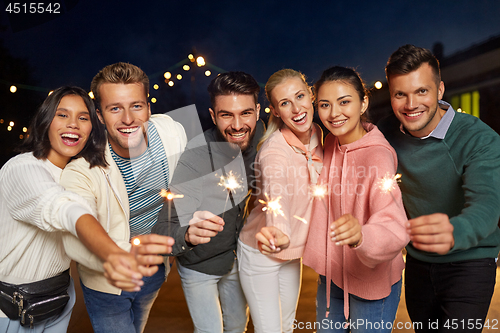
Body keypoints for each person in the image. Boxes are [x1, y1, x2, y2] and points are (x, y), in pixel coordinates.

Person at [0, 86, 168, 333]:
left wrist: (126, 253)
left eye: (83, 118)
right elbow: (63, 208)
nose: (73, 125)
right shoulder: (23, 168)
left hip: (57, 300)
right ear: (45, 120)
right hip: (10, 307)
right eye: (62, 115)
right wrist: (113, 254)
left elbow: (88, 222)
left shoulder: (82, 172)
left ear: (92, 128)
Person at [378, 44, 500, 332]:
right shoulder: (385, 134)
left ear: (440, 90)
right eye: (400, 94)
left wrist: (456, 231)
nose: (411, 104)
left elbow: (488, 204)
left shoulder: (479, 139)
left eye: (422, 91)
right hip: (419, 263)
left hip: (471, 261)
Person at [60, 63, 187, 333]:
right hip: (105, 284)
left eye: (137, 106)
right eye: (115, 108)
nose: (128, 118)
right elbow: (74, 238)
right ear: (100, 115)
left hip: (155, 270)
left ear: (149, 108)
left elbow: (189, 186)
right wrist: (123, 257)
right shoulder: (82, 169)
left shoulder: (172, 132)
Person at [152, 71, 264, 333]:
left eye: (245, 113)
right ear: (213, 116)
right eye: (226, 115)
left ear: (258, 111)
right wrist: (189, 234)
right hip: (199, 265)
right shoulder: (196, 156)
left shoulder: (267, 140)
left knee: (237, 326)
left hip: (238, 258)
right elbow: (163, 227)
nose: (237, 125)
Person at [301, 66, 409, 333]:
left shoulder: (378, 157)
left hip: (372, 282)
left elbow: (394, 225)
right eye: (325, 104)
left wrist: (362, 235)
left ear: (364, 103)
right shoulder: (330, 144)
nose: (334, 113)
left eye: (344, 102)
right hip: (333, 274)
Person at [238, 68, 323, 333]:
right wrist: (279, 230)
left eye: (300, 96)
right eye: (285, 103)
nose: (296, 108)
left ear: (311, 96)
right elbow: (277, 196)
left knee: (286, 327)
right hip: (262, 250)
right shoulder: (274, 150)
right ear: (275, 111)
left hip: (291, 253)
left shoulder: (320, 136)